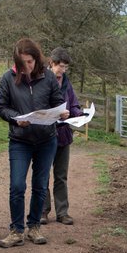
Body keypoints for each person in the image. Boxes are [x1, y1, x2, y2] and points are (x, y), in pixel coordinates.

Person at [0, 37, 66, 247]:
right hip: (20, 140)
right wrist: (17, 118)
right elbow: (1, 107)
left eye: (31, 61)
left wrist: (62, 112)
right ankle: (16, 230)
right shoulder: (8, 78)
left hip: (46, 140)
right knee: (17, 185)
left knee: (40, 186)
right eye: (23, 62)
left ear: (37, 58)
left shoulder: (49, 78)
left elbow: (58, 102)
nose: (28, 65)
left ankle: (34, 227)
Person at [41, 47, 84, 226]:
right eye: (61, 66)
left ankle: (62, 212)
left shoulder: (67, 83)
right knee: (42, 175)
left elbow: (73, 105)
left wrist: (79, 114)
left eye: (66, 67)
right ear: (51, 63)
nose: (63, 71)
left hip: (64, 135)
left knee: (61, 175)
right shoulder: (41, 80)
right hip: (44, 135)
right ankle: (42, 211)